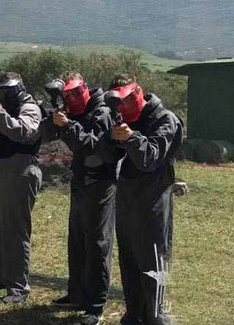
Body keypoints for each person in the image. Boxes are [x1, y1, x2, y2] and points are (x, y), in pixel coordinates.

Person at [97, 74, 183, 325]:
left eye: (127, 99)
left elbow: (150, 159)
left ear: (140, 92)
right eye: (118, 102)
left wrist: (131, 137)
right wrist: (112, 137)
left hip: (154, 199)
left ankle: (157, 318)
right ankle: (134, 314)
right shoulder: (123, 119)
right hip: (127, 198)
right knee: (129, 259)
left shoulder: (164, 119)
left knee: (153, 261)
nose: (123, 106)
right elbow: (105, 155)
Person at [45, 73, 117, 325]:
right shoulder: (76, 110)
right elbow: (51, 136)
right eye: (66, 95)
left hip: (101, 182)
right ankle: (76, 294)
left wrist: (68, 125)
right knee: (77, 240)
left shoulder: (102, 111)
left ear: (85, 89)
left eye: (75, 93)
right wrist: (55, 119)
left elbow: (95, 145)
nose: (71, 99)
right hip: (81, 179)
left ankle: (95, 306)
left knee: (97, 244)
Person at [0, 72, 43, 304]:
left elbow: (25, 132)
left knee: (15, 229)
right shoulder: (3, 108)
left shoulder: (30, 107)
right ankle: (0, 276)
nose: (4, 96)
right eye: (0, 91)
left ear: (20, 89)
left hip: (19, 169)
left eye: (8, 91)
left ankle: (18, 287)